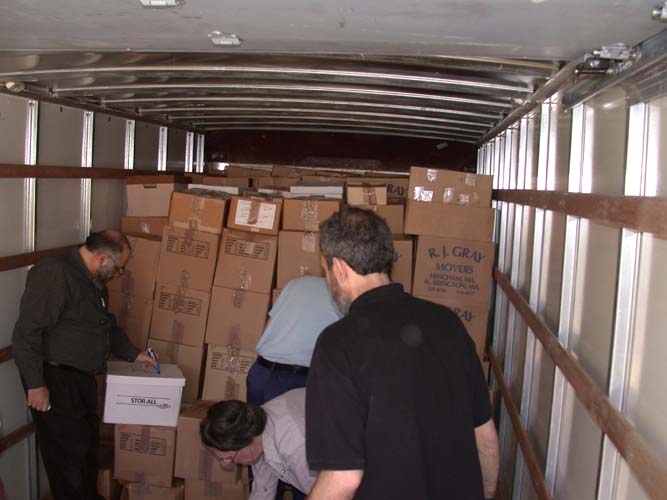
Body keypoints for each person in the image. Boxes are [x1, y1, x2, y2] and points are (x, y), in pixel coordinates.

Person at [305, 207, 500, 500]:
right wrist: (487, 491)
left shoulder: (337, 345)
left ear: (339, 268)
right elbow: (484, 435)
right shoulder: (447, 322)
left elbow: (342, 478)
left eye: (326, 270)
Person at [12, 229, 156, 500]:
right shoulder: (55, 274)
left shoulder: (93, 280)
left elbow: (104, 325)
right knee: (68, 461)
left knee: (87, 451)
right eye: (119, 269)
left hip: (82, 380)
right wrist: (36, 384)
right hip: (56, 381)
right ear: (104, 259)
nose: (119, 275)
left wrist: (133, 354)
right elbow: (26, 334)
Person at [245, 276, 341, 500]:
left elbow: (270, 323)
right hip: (302, 379)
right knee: (304, 462)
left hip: (262, 372)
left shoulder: (297, 283)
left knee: (257, 450)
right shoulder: (346, 293)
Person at [200, 388, 317, 500]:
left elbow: (330, 492)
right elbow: (263, 492)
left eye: (228, 459)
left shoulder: (294, 445)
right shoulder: (257, 434)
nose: (231, 464)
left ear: (246, 442)